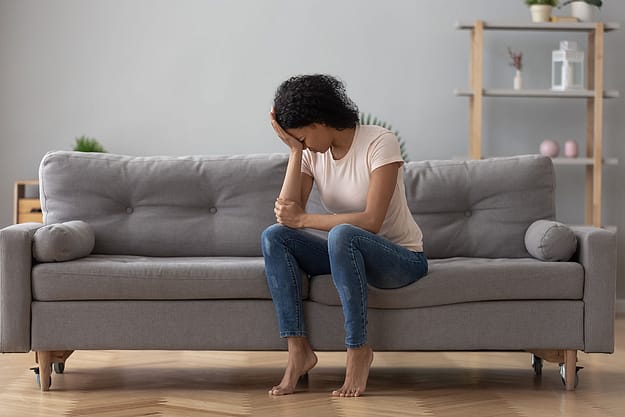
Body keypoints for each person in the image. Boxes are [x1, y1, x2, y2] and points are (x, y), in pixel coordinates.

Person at [261, 74, 428, 397]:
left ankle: (358, 350)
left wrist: (304, 218)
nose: (303, 144)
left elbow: (371, 221)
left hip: (399, 258)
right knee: (275, 236)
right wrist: (296, 153)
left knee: (343, 234)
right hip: (348, 254)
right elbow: (287, 214)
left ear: (320, 121)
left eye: (302, 138)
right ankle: (298, 351)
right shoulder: (311, 153)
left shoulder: (380, 142)